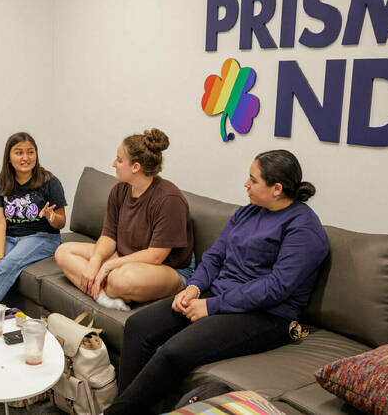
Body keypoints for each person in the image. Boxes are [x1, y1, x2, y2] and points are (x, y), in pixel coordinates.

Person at [104, 149, 329, 414]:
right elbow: (215, 256)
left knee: (173, 352)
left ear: (277, 188)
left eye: (253, 180)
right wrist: (193, 288)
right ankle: (128, 408)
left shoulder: (304, 229)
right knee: (138, 325)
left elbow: (276, 288)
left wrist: (211, 306)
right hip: (218, 295)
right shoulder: (248, 213)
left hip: (266, 315)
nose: (246, 183)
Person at [55, 128, 194, 311]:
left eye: (120, 160)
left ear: (136, 167)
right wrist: (97, 260)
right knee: (63, 252)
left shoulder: (169, 200)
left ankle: (105, 286)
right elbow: (108, 236)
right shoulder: (120, 190)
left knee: (120, 279)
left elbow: (156, 255)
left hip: (168, 268)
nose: (114, 164)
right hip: (126, 256)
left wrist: (109, 266)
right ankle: (103, 296)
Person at [0, 132, 67, 303]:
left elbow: (61, 222)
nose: (26, 158)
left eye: (30, 152)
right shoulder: (0, 182)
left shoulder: (50, 182)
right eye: (19, 152)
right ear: (9, 157)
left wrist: (52, 218)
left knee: (6, 265)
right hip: (10, 237)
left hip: (42, 237)